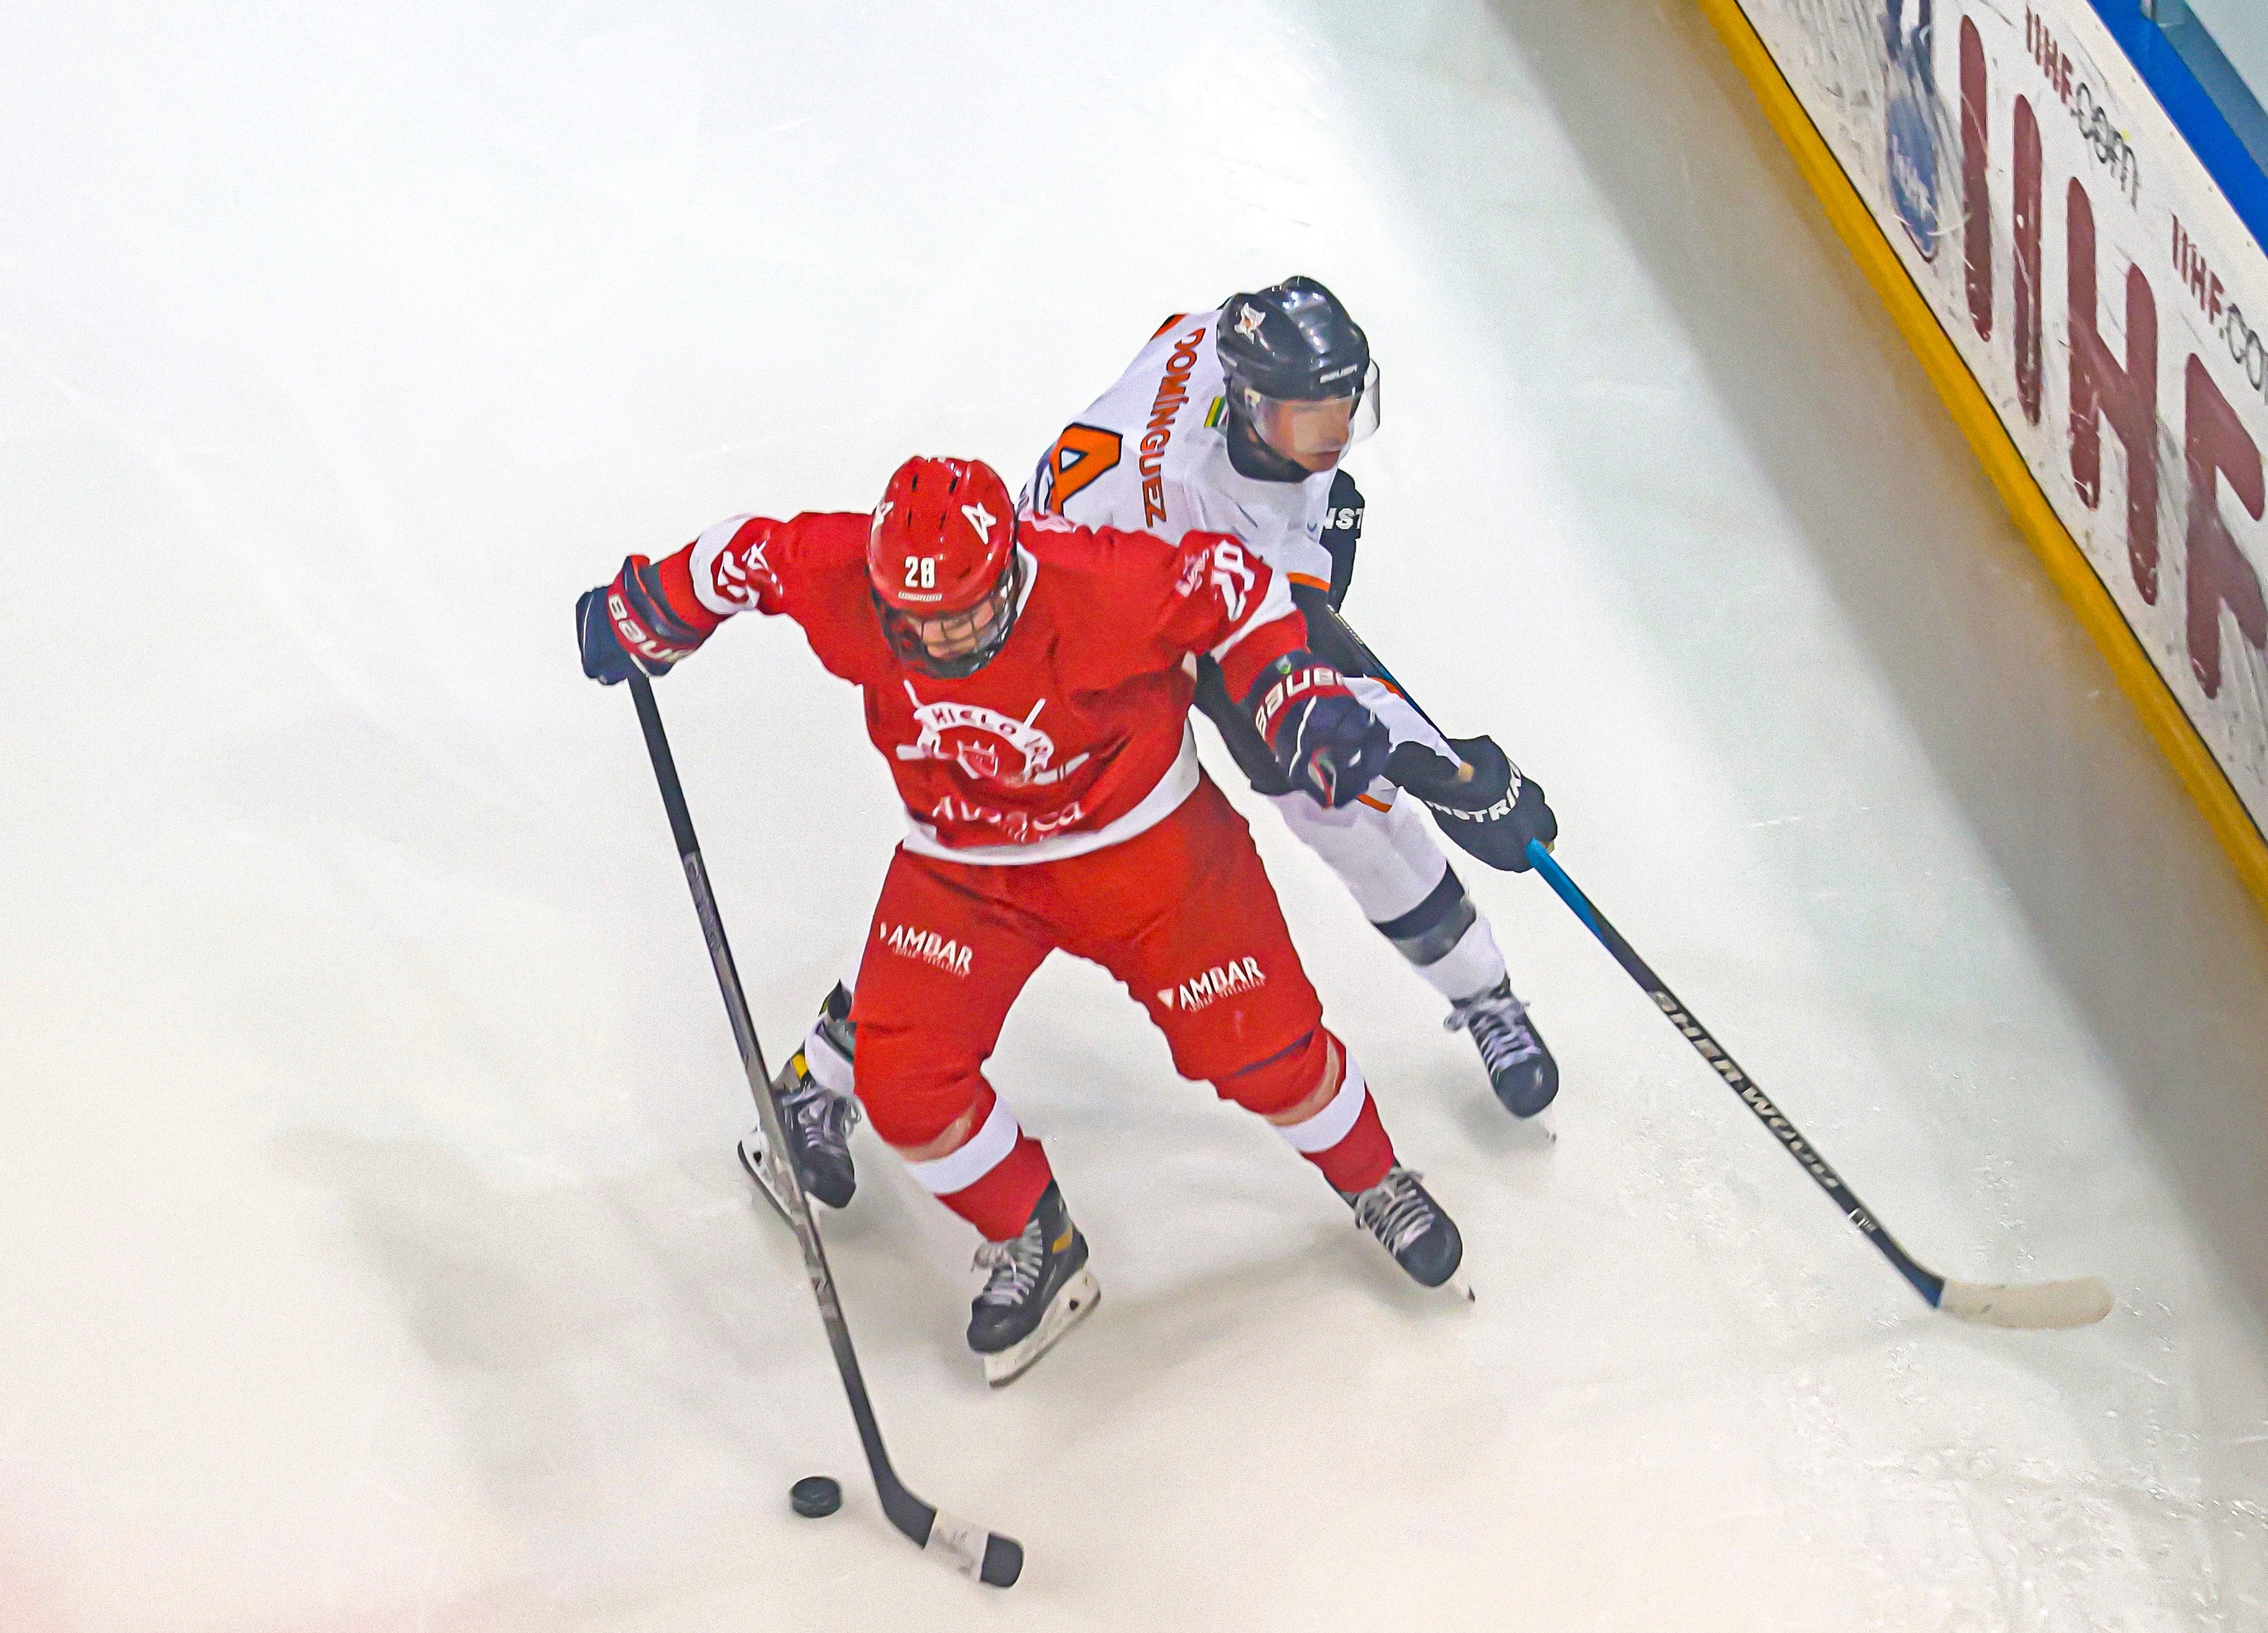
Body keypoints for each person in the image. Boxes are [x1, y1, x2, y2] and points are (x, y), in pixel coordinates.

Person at [578, 455, 1466, 1383]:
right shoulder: (844, 575)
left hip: (1148, 852)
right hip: (965, 868)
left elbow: (1233, 590)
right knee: (903, 1084)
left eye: (962, 610)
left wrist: (1295, 693)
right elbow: (746, 554)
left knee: (1261, 1051)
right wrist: (648, 607)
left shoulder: (1098, 581)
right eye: (914, 619)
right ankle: (1035, 1237)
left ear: (1008, 567)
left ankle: (1374, 1178)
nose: (941, 637)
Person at [750, 279, 1561, 1219]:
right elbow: (1298, 650)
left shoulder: (1231, 350)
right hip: (1079, 634)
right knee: (1000, 848)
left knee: (1325, 794)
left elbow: (1182, 357)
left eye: (1345, 405)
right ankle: (832, 1068)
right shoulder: (1196, 494)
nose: (1333, 435)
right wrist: (1450, 771)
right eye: (1311, 417)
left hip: (1125, 572)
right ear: (1250, 406)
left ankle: (1482, 993)